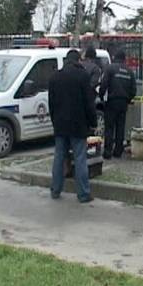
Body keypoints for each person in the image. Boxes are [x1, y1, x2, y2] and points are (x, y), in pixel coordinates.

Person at [48, 49, 97, 203]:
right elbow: (89, 103)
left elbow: (51, 104)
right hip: (78, 125)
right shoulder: (82, 76)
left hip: (60, 125)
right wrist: (93, 122)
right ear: (78, 60)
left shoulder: (55, 76)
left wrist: (54, 121)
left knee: (59, 157)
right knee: (80, 158)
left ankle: (55, 190)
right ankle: (83, 194)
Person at [99, 49, 137, 159]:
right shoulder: (130, 71)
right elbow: (133, 90)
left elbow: (104, 84)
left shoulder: (110, 68)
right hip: (123, 103)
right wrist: (128, 99)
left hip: (111, 102)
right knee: (120, 127)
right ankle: (118, 151)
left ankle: (107, 152)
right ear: (124, 59)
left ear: (115, 57)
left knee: (109, 127)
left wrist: (101, 96)